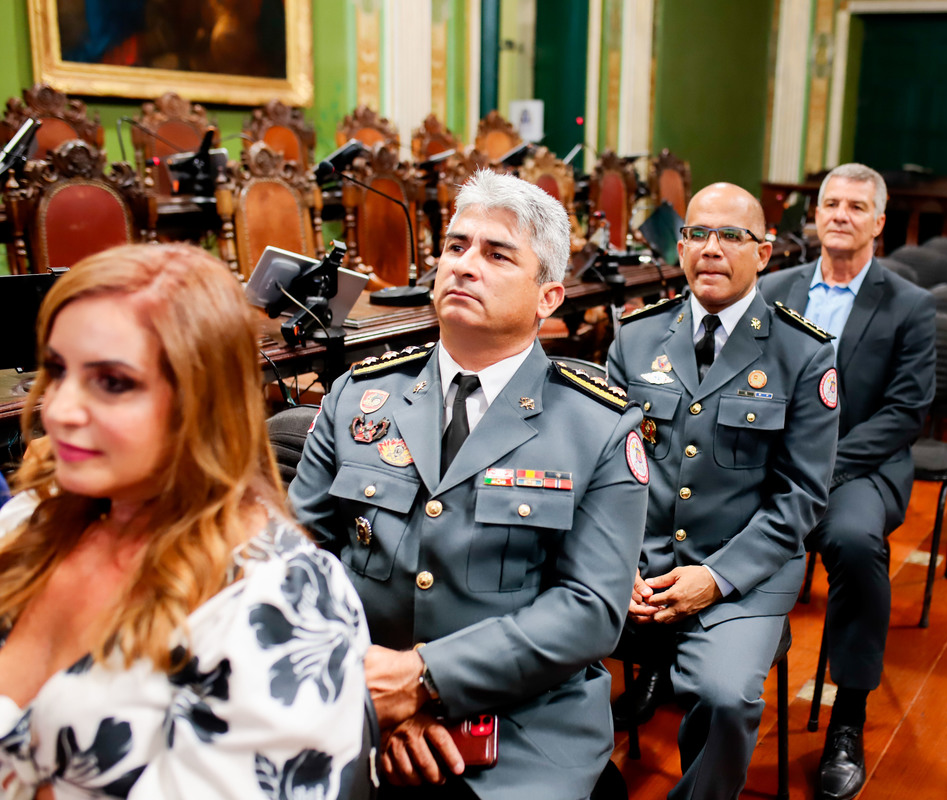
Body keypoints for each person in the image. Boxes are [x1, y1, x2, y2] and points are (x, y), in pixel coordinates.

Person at [289, 169, 649, 800]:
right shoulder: (356, 397)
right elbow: (297, 563)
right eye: (456, 247)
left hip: (523, 728)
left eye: (496, 254)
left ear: (548, 297)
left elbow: (589, 611)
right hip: (359, 694)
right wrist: (377, 687)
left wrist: (425, 679)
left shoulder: (598, 424)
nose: (464, 265)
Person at [0, 243, 371, 799]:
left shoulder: (279, 599)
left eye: (112, 382)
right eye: (57, 370)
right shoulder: (36, 515)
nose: (58, 410)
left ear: (201, 400)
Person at [606, 182, 840, 800]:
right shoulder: (635, 337)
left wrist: (714, 578)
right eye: (696, 233)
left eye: (731, 236)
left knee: (727, 698)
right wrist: (618, 563)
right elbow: (608, 471)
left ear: (764, 253)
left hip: (744, 571)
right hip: (639, 564)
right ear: (680, 248)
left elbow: (801, 499)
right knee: (539, 659)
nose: (711, 248)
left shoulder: (804, 353)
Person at [759, 163, 936, 800]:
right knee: (690, 506)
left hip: (858, 464)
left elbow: (906, 412)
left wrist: (822, 466)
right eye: (830, 203)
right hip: (770, 458)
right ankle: (663, 667)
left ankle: (848, 720)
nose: (840, 214)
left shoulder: (910, 304)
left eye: (856, 207)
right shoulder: (774, 288)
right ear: (816, 215)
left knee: (859, 546)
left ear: (878, 223)